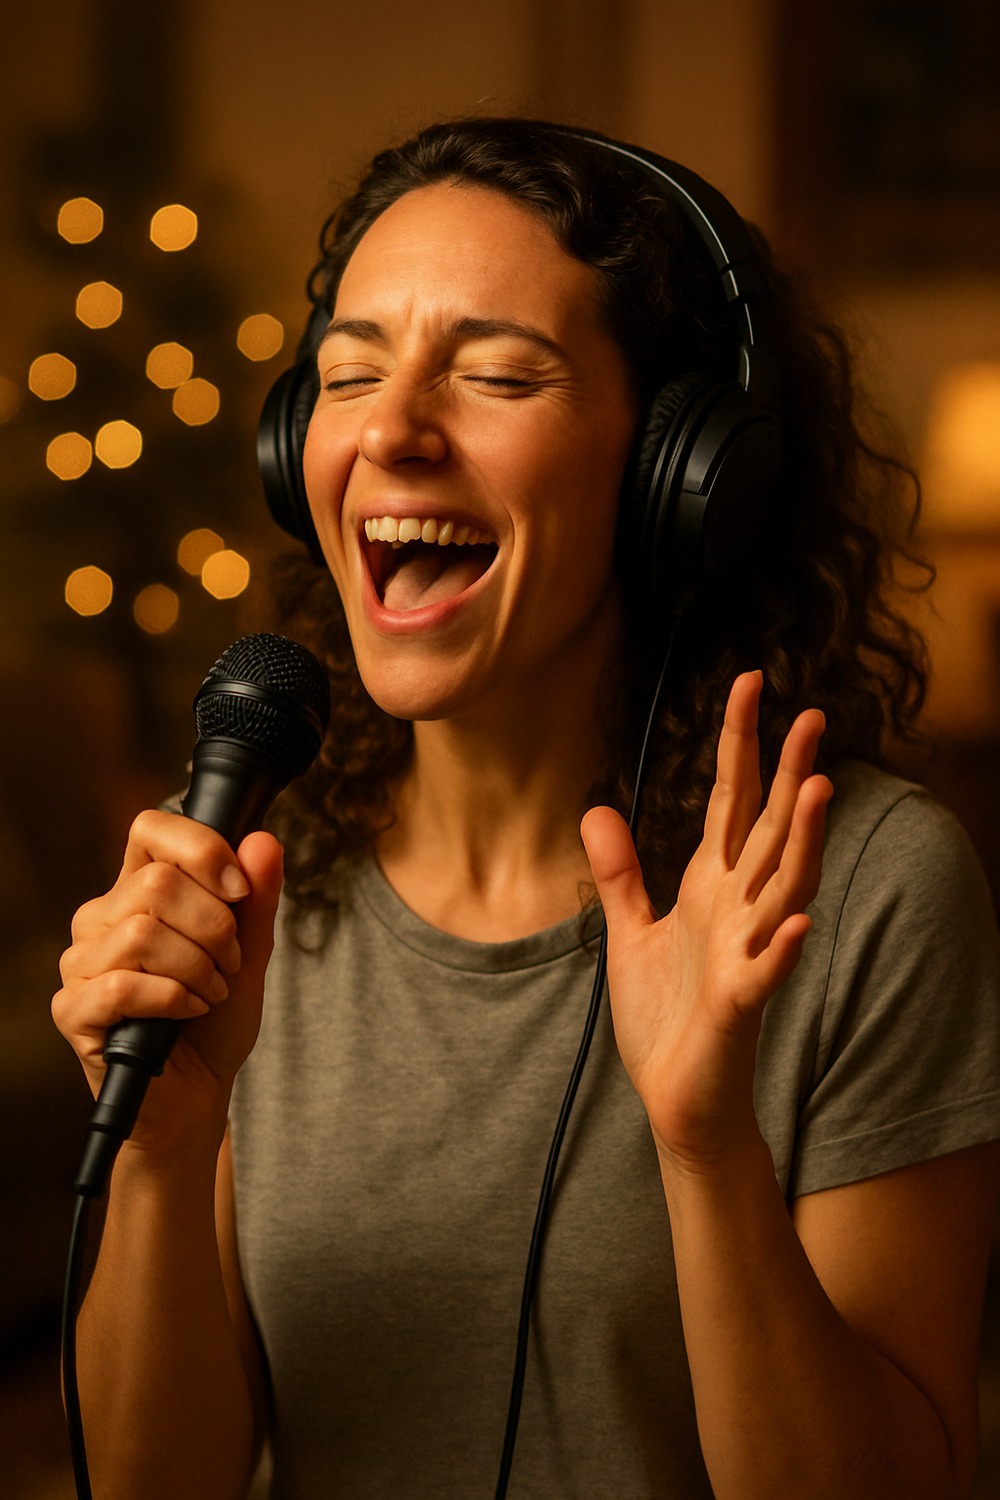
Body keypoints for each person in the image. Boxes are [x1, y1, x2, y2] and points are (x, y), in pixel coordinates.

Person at [53, 117, 1000, 1499]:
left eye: (497, 374)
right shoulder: (256, 883)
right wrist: (164, 1152)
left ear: (687, 475)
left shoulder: (861, 886)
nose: (390, 430)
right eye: (348, 373)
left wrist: (707, 1149)